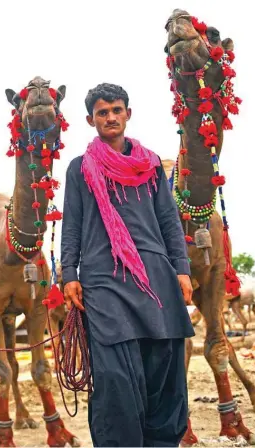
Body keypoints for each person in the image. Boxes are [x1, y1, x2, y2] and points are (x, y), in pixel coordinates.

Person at [60, 83, 195, 447]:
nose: (110, 117)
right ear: (91, 120)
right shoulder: (79, 169)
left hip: (155, 276)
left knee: (163, 366)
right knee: (115, 376)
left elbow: (168, 221)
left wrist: (181, 268)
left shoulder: (150, 166)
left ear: (128, 114)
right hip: (103, 278)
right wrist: (68, 273)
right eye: (102, 112)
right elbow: (71, 224)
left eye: (116, 110)